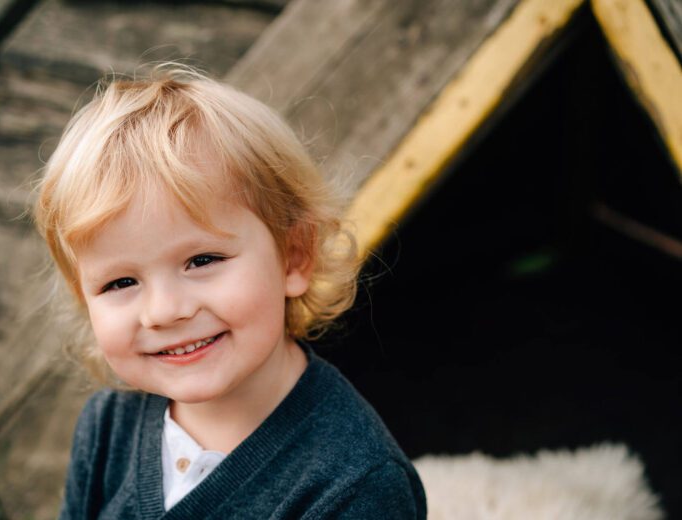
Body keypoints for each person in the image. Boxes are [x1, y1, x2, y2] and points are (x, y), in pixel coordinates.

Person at [34, 67, 426, 519]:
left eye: (201, 261)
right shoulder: (108, 426)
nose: (164, 312)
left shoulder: (355, 483)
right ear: (85, 297)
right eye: (120, 282)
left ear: (293, 257)